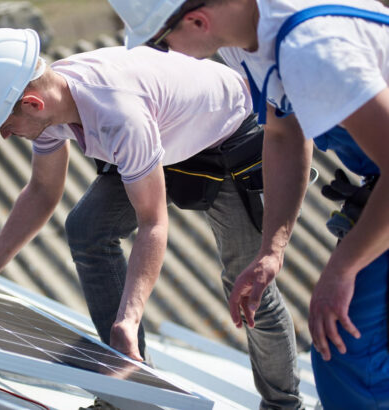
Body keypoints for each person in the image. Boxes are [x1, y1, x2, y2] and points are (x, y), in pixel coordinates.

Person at [0, 27, 302, 408]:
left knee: (246, 285)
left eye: (5, 125)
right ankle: (129, 394)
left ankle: (284, 405)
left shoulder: (116, 114)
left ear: (32, 103)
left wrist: (128, 316)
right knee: (87, 228)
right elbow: (43, 191)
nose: (5, 136)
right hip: (160, 133)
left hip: (224, 132)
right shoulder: (53, 104)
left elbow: (153, 223)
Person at [108, 0, 389, 407]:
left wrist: (341, 271)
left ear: (197, 21)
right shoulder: (249, 38)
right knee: (345, 350)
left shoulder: (310, 47)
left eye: (162, 42)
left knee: (347, 355)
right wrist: (271, 251)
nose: (168, 54)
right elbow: (283, 134)